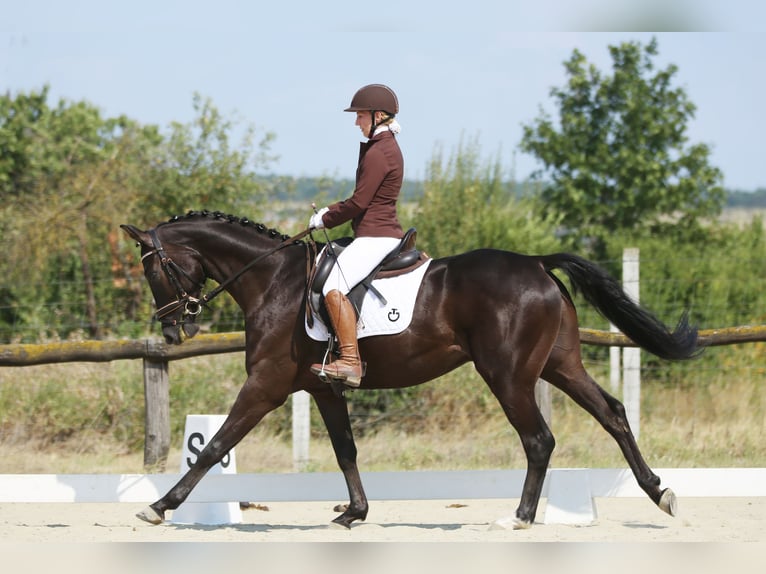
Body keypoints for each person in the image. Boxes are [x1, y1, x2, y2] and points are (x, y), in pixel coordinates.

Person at [308, 83, 405, 387]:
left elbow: (359, 202)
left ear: (377, 116)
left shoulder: (380, 152)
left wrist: (326, 217)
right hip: (376, 232)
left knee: (332, 287)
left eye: (360, 115)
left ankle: (350, 361)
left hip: (376, 235)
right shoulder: (382, 147)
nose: (356, 122)